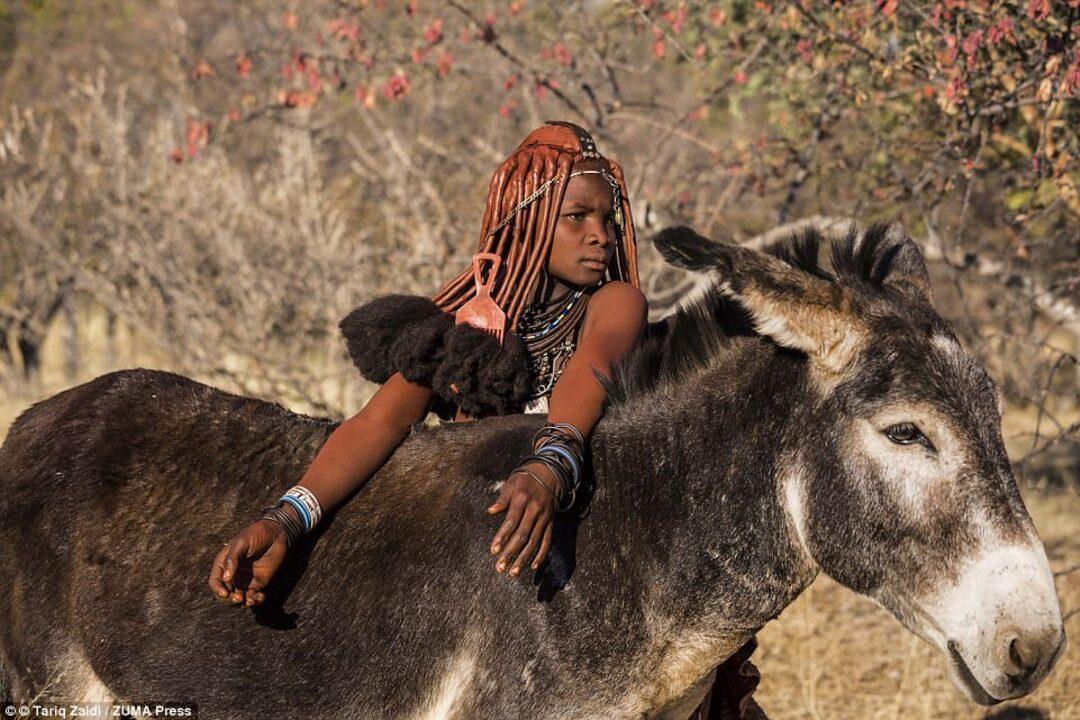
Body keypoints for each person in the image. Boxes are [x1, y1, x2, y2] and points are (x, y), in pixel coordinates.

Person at [206, 120, 763, 720]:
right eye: (576, 217)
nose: (600, 236)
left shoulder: (615, 304)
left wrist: (551, 464)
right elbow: (377, 425)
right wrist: (287, 519)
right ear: (527, 221)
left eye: (608, 218)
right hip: (482, 589)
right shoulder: (467, 329)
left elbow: (593, 367)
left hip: (605, 585)